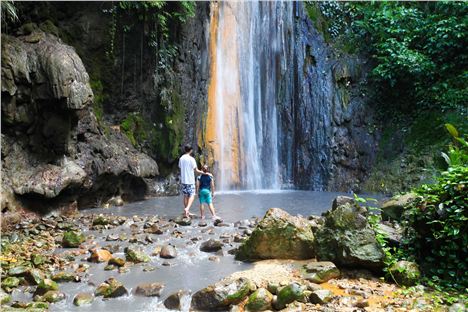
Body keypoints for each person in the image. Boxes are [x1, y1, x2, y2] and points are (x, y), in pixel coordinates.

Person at [178, 145, 209, 218]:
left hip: (183, 180)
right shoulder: (192, 159)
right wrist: (204, 173)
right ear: (191, 150)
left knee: (185, 196)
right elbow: (196, 170)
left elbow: (180, 167)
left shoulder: (181, 158)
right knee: (192, 195)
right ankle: (187, 208)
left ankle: (186, 212)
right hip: (190, 180)